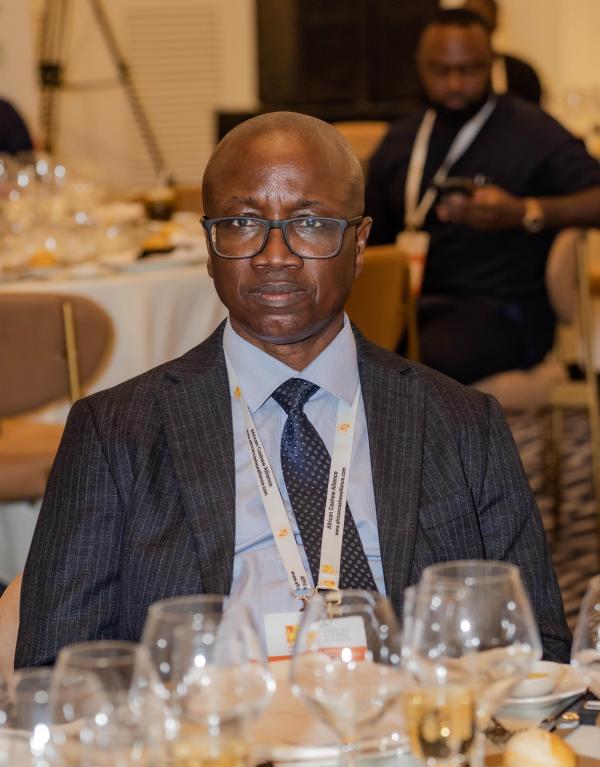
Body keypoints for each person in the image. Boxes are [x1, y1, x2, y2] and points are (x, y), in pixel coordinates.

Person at [15, 111, 571, 668]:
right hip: (215, 717)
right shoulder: (116, 434)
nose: (274, 256)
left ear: (358, 243)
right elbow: (56, 672)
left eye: (310, 223)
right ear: (209, 245)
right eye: (242, 222)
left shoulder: (462, 422)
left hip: (414, 714)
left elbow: (537, 649)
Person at [366, 8, 600, 385]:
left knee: (422, 361)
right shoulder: (402, 140)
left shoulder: (533, 132)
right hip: (411, 303)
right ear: (420, 66)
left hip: (502, 309)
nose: (455, 83)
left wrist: (525, 211)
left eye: (469, 69)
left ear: (492, 63)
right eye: (441, 70)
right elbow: (369, 232)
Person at [462, 0, 543, 104]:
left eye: (483, 24)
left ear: (495, 23)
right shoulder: (448, 75)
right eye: (468, 23)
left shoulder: (521, 74)